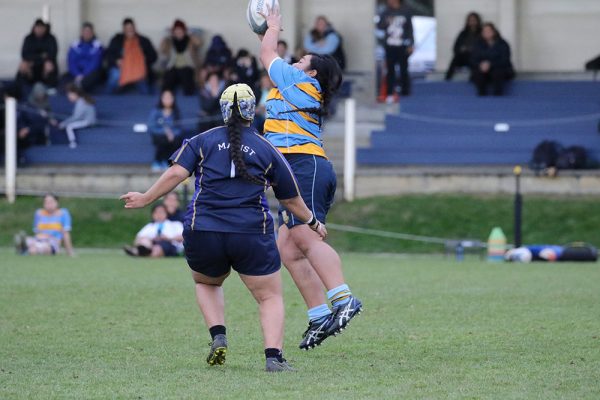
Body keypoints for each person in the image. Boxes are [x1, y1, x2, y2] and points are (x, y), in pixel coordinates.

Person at [120, 83, 327, 372]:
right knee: (269, 296)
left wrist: (145, 198)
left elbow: (176, 173)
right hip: (251, 233)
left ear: (222, 109)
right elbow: (291, 199)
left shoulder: (201, 140)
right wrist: (313, 221)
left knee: (207, 282)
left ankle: (218, 336)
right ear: (252, 110)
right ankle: (273, 358)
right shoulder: (267, 147)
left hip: (203, 229)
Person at [258, 5, 363, 350]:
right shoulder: (295, 84)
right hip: (298, 168)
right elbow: (270, 55)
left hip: (305, 166)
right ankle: (320, 315)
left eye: (301, 60)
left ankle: (343, 298)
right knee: (286, 249)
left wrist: (272, 25)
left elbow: (267, 53)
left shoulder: (302, 82)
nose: (294, 63)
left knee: (305, 238)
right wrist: (265, 30)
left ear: (312, 73)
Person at [105, 18, 157, 94]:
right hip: (121, 69)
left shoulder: (144, 40)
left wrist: (145, 60)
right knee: (115, 75)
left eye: (131, 28)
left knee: (146, 93)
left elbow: (154, 56)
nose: (130, 30)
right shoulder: (116, 40)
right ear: (123, 29)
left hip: (139, 71)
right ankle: (109, 97)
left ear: (135, 28)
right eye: (127, 28)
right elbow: (108, 54)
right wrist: (116, 61)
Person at [377, 0, 414, 101]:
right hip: (390, 46)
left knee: (403, 69)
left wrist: (411, 44)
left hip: (402, 45)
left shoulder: (405, 11)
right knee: (390, 70)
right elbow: (379, 26)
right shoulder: (385, 12)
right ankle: (389, 92)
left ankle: (405, 91)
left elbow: (410, 29)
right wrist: (385, 20)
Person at [159, 19, 202, 96]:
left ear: (184, 31)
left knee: (187, 78)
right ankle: (166, 96)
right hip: (173, 67)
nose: (178, 33)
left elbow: (199, 43)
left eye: (180, 30)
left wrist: (190, 34)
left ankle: (188, 98)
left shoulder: (190, 40)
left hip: (188, 67)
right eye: (176, 31)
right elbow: (162, 49)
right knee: (168, 79)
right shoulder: (170, 41)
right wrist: (166, 37)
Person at [471, 22, 515, 96]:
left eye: (488, 31)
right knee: (478, 73)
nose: (486, 33)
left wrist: (490, 64)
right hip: (482, 70)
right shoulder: (478, 44)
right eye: (484, 31)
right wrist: (480, 65)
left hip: (499, 68)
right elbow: (473, 59)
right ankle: (481, 95)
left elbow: (505, 60)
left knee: (497, 73)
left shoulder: (502, 44)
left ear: (494, 32)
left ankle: (497, 96)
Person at [16, 19, 59, 89]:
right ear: (34, 28)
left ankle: (51, 87)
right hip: (32, 67)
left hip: (44, 67)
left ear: (45, 28)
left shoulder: (51, 38)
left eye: (41, 28)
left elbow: (52, 54)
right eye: (37, 28)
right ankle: (19, 88)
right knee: (23, 65)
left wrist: (37, 59)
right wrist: (41, 56)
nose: (39, 30)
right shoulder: (28, 38)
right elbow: (24, 54)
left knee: (49, 65)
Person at [52, 84, 96, 149]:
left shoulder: (81, 102)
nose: (69, 97)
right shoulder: (82, 100)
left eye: (70, 95)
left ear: (75, 94)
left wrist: (63, 124)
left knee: (69, 126)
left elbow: (76, 117)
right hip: (87, 120)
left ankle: (72, 142)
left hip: (89, 121)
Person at [148, 89, 182, 171]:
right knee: (163, 140)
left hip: (172, 137)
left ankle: (169, 162)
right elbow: (151, 127)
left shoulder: (176, 112)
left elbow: (180, 128)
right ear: (161, 99)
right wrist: (166, 132)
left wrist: (172, 134)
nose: (167, 100)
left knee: (176, 140)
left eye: (169, 97)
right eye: (165, 98)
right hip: (159, 136)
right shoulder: (155, 111)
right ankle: (158, 161)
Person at [16, 83, 51, 163]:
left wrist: (28, 129)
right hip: (24, 130)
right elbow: (22, 119)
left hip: (36, 131)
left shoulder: (46, 104)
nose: (41, 96)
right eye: (39, 94)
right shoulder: (27, 105)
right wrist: (22, 129)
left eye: (42, 94)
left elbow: (43, 121)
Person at [65, 22, 104, 92]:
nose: (87, 33)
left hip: (90, 73)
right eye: (85, 31)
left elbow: (95, 63)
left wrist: (83, 75)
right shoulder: (74, 45)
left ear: (92, 33)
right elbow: (71, 62)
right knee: (64, 78)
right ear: (82, 32)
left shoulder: (97, 45)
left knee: (94, 76)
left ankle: (78, 88)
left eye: (89, 31)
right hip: (77, 73)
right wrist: (77, 74)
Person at [445, 12, 482, 81]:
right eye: (470, 20)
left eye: (474, 20)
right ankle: (447, 79)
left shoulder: (482, 33)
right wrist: (461, 49)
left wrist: (473, 49)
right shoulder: (463, 33)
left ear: (478, 21)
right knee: (456, 58)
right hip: (464, 56)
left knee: (474, 59)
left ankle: (473, 79)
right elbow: (455, 47)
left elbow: (483, 47)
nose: (472, 22)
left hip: (475, 57)